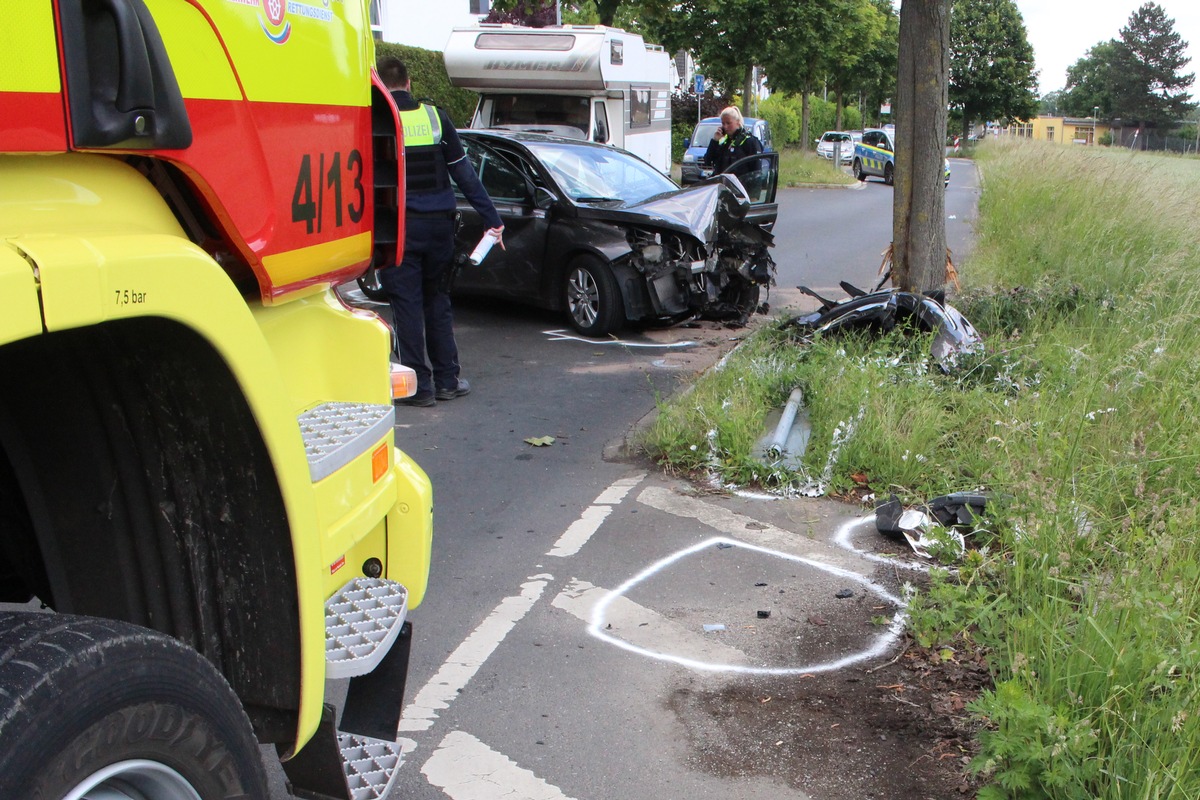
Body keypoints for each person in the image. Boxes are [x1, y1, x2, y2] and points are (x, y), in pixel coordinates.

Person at [377, 56, 504, 407]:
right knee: (438, 302)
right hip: (439, 228)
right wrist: (493, 219)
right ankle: (448, 380)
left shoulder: (378, 120)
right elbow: (465, 174)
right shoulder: (435, 118)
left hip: (399, 229)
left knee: (406, 306)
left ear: (379, 86)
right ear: (409, 81)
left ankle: (419, 388)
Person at [703, 106, 763, 176]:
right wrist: (715, 141)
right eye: (723, 123)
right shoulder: (723, 142)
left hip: (741, 185)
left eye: (728, 123)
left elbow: (756, 171)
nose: (725, 127)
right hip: (722, 184)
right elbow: (707, 161)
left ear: (738, 122)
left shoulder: (750, 141)